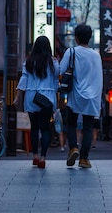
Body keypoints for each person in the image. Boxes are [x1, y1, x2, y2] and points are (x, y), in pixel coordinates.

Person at [59, 24, 103, 169]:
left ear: (76, 38)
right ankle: (84, 158)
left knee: (71, 123)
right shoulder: (96, 55)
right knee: (88, 127)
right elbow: (99, 78)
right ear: (89, 38)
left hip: (76, 94)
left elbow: (61, 69)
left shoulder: (71, 52)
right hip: (92, 96)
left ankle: (73, 148)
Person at [13, 35, 59, 169]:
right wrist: (56, 98)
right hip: (48, 98)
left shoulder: (29, 61)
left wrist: (17, 97)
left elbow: (24, 79)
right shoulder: (53, 62)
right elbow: (56, 81)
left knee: (34, 128)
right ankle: (43, 158)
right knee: (45, 128)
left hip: (32, 97)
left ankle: (35, 156)